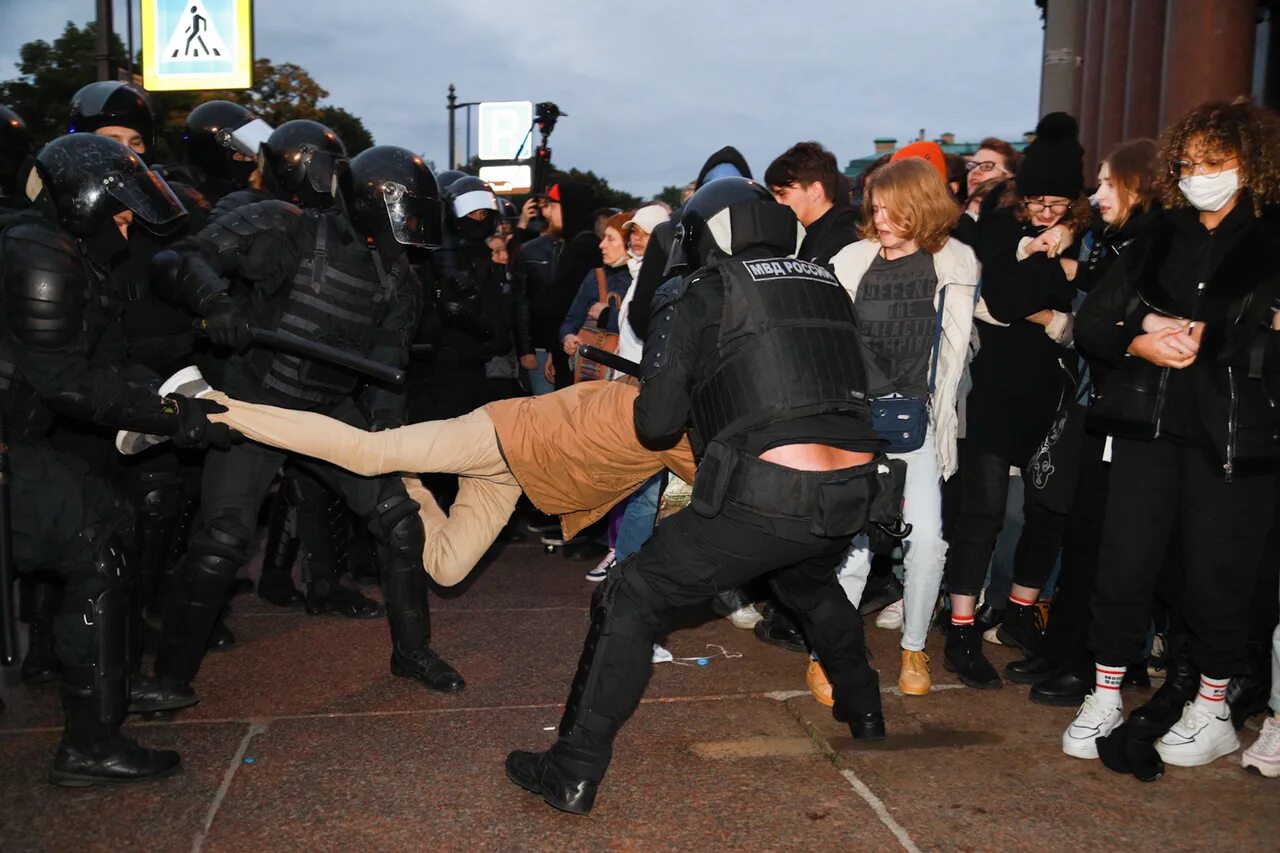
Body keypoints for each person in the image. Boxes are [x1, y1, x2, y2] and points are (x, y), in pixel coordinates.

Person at [504, 176, 899, 816]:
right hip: (851, 491)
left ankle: (572, 770)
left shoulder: (707, 289)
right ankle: (866, 711)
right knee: (807, 583)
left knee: (631, 593)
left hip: (769, 493)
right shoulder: (825, 282)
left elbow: (658, 423)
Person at [148, 144, 465, 697]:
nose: (414, 230)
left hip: (327, 411)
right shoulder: (284, 226)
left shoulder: (400, 282)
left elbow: (387, 371)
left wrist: (390, 439)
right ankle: (170, 678)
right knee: (221, 540)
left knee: (398, 518)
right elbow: (178, 259)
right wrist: (217, 305)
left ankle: (412, 652)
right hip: (255, 404)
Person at [0, 133, 234, 784]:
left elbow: (106, 365)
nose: (127, 227)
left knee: (105, 524)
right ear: (84, 201)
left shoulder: (60, 250)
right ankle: (91, 739)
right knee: (94, 542)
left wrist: (181, 400)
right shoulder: (38, 250)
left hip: (21, 442)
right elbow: (64, 382)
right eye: (121, 211)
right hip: (11, 447)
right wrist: (169, 416)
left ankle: (109, 698)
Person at [1066, 98, 1280, 779]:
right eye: (1188, 164)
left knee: (1219, 575)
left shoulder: (1272, 239)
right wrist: (1141, 339)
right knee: (1123, 563)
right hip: (1145, 424)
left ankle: (1213, 708)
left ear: (1251, 163)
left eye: (1214, 163)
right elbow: (1093, 322)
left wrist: (1208, 337)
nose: (1199, 176)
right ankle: (1103, 696)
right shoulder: (1157, 233)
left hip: (1237, 435)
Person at [823, 157, 988, 697]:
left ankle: (914, 648)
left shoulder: (954, 263)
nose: (882, 217)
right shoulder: (851, 260)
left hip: (919, 421)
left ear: (922, 208)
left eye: (894, 208)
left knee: (928, 542)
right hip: (856, 420)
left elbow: (979, 330)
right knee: (852, 541)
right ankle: (833, 652)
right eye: (876, 207)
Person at [1009, 139, 1162, 705]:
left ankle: (1098, 660)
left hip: (1131, 408)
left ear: (1138, 186)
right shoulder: (1114, 239)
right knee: (1081, 532)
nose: (1095, 196)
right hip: (1099, 401)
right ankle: (1069, 649)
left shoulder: (1150, 244)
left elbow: (1106, 318)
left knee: (1107, 541)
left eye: (1106, 184)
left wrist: (1072, 260)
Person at [941, 112, 1090, 690]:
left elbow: (1100, 301)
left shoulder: (1082, 234)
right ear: (1022, 198)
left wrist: (1058, 263)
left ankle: (1022, 613)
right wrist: (1054, 278)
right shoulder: (997, 227)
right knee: (979, 514)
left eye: (1058, 205)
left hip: (1052, 394)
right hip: (995, 389)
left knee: (1047, 514)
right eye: (1037, 203)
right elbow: (1002, 298)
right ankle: (961, 629)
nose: (1046, 213)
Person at [512, 182, 600, 393]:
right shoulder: (580, 244)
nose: (546, 212)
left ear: (570, 207)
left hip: (576, 352)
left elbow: (560, 304)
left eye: (553, 205)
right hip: (568, 349)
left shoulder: (581, 248)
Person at [559, 211, 633, 369]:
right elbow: (571, 320)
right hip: (592, 370)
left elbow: (643, 328)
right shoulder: (595, 276)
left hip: (627, 373)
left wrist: (608, 317)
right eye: (604, 237)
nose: (602, 244)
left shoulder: (644, 279)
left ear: (629, 242)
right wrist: (568, 336)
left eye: (611, 238)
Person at [765, 141, 857, 266]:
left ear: (815, 190)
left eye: (782, 194)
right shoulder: (814, 234)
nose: (777, 202)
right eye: (773, 195)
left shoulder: (846, 236)